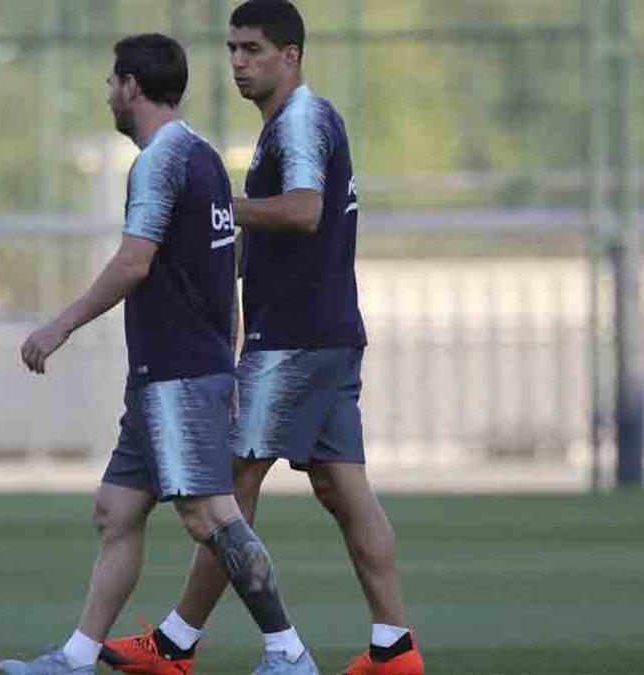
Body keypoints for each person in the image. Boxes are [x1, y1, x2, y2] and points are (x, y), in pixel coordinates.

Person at [101, 4, 424, 674]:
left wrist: (213, 205)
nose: (239, 63)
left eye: (253, 49)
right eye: (232, 50)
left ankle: (176, 643)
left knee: (226, 485)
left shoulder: (302, 120)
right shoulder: (294, 124)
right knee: (343, 488)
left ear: (291, 56)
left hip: (296, 342)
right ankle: (394, 646)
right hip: (326, 332)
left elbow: (305, 211)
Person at [0, 32, 318, 675]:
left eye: (113, 84)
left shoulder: (160, 163)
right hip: (168, 376)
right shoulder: (200, 156)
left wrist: (58, 326)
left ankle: (288, 653)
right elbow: (220, 275)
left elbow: (133, 263)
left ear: (132, 88)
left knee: (210, 515)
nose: (109, 95)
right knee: (116, 511)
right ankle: (78, 657)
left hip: (176, 374)